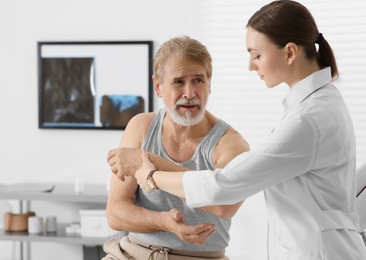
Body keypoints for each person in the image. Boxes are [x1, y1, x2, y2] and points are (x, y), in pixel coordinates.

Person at [119, 1, 366, 259]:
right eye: (178, 82)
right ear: (158, 87)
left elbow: (225, 187)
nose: (250, 65)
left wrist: (151, 173)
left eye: (256, 54)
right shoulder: (316, 105)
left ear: (290, 52)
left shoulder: (310, 119)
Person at [104, 36, 249, 259]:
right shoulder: (141, 127)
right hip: (132, 252)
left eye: (198, 80)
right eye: (178, 81)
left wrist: (155, 167)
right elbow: (115, 214)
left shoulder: (229, 144)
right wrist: (163, 222)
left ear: (210, 84)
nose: (189, 93)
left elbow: (224, 204)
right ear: (158, 86)